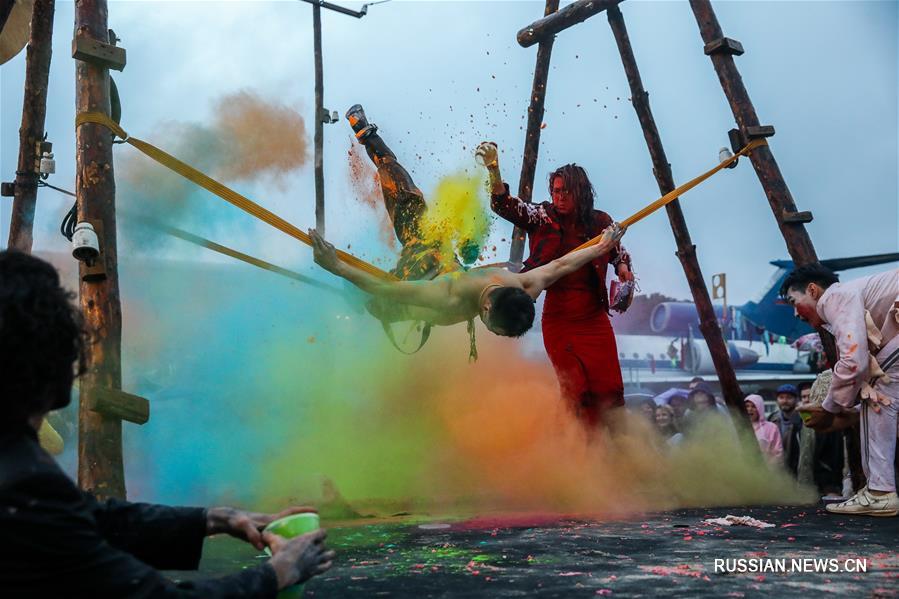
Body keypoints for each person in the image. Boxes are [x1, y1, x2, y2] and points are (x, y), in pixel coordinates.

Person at [0, 250, 336, 596]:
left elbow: (91, 518)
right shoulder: (24, 481)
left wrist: (215, 518)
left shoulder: (17, 463)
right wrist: (277, 573)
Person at [476, 141, 634, 427]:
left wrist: (622, 266)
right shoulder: (542, 216)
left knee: (609, 389)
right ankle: (577, 453)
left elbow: (616, 250)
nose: (559, 197)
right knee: (576, 392)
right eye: (556, 191)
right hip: (559, 319)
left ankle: (617, 450)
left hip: (593, 318)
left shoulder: (600, 221)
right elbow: (505, 205)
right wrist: (493, 170)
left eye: (566, 192)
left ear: (581, 192)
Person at [783, 263, 898, 516]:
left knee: (879, 392)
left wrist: (828, 408)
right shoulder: (856, 298)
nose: (795, 314)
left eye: (794, 302)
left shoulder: (835, 297)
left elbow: (854, 364)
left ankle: (879, 492)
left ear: (813, 290)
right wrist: (851, 412)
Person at [796, 380, 845, 499]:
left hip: (829, 487)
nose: (806, 400)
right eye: (803, 397)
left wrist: (832, 486)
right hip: (805, 486)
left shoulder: (832, 423)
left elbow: (837, 457)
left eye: (809, 396)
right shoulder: (797, 424)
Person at [767, 384, 803, 476]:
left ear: (796, 400)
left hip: (797, 470)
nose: (785, 401)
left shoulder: (802, 420)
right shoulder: (772, 418)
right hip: (777, 471)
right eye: (781, 397)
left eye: (789, 398)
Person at [744, 394, 783, 465]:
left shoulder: (771, 427)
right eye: (747, 406)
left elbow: (778, 452)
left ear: (760, 408)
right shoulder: (739, 425)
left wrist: (767, 469)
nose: (749, 409)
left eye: (754, 406)